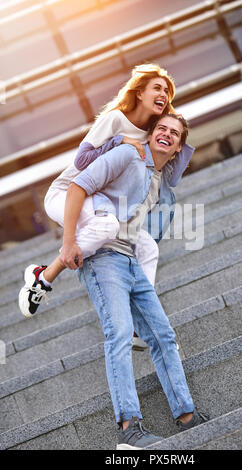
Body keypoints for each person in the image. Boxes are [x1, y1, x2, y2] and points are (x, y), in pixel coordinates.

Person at [18, 64, 194, 351]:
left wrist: (174, 128)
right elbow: (82, 161)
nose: (164, 93)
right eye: (158, 88)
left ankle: (139, 324)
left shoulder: (155, 130)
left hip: (102, 204)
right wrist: (118, 140)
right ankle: (43, 275)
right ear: (139, 92)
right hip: (68, 194)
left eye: (168, 92)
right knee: (107, 226)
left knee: (148, 246)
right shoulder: (115, 119)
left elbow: (172, 175)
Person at [61, 113, 209, 450]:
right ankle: (128, 428)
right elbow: (78, 184)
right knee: (120, 335)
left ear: (178, 147)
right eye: (161, 129)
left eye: (174, 134)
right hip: (103, 259)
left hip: (130, 259)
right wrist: (69, 242)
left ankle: (187, 415)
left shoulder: (161, 183)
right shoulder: (128, 155)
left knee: (162, 335)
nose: (166, 135)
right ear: (150, 133)